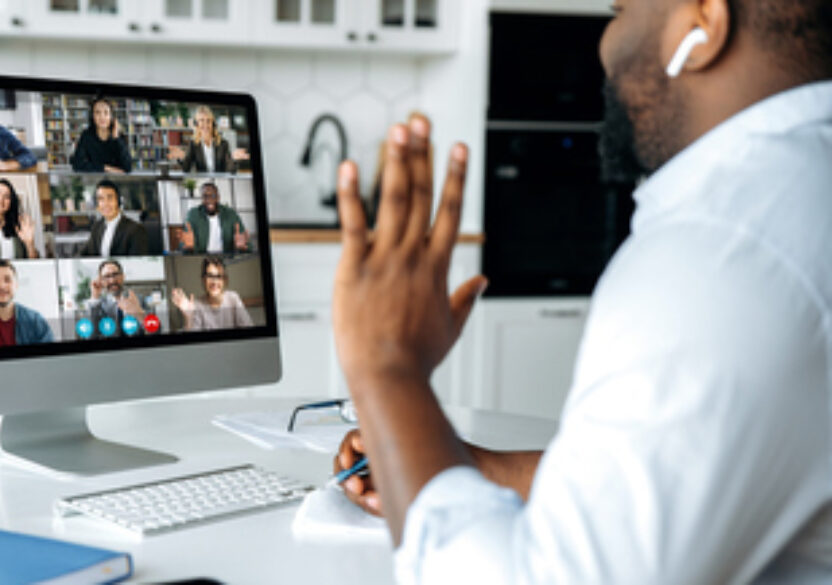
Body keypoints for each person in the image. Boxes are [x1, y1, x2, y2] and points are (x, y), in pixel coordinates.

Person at [331, 1, 832, 583]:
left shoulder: (721, 251)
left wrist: (387, 368)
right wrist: (463, 464)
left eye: (620, 12)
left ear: (704, 23)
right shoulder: (799, 190)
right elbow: (669, 477)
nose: (603, 45)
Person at [170, 256, 252, 331]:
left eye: (218, 276)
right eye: (210, 276)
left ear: (224, 280)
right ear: (203, 280)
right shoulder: (197, 305)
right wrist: (188, 318)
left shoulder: (233, 298)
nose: (214, 282)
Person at [167, 105, 249, 173]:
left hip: (221, 183)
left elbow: (230, 170)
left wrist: (233, 160)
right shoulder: (193, 144)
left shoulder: (223, 144)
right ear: (197, 124)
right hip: (203, 183)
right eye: (201, 120)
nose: (205, 125)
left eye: (208, 121)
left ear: (213, 124)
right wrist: (182, 157)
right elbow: (186, 169)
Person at [80, 179, 150, 257]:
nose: (105, 204)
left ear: (118, 202)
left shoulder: (136, 230)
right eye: (101, 199)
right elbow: (83, 253)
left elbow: (137, 263)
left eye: (110, 198)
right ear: (97, 204)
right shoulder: (97, 227)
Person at [178, 182, 249, 254]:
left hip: (226, 259)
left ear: (218, 197)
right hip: (200, 258)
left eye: (213, 195)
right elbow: (183, 246)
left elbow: (246, 244)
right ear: (201, 198)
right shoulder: (193, 214)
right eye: (205, 196)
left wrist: (242, 248)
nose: (209, 200)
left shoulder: (231, 214)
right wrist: (189, 247)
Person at [69, 95, 132, 174]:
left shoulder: (119, 137)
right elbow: (77, 165)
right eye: (97, 112)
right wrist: (105, 168)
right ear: (92, 116)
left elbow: (128, 167)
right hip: (93, 181)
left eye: (106, 113)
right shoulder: (86, 136)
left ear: (111, 116)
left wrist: (117, 139)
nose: (102, 117)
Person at [86, 259, 149, 337]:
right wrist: (94, 297)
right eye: (107, 276)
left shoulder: (138, 300)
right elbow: (92, 335)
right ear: (101, 281)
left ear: (123, 276)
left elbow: (157, 332)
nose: (112, 280)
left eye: (115, 274)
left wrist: (141, 316)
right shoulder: (98, 306)